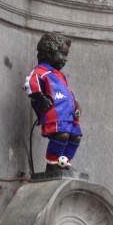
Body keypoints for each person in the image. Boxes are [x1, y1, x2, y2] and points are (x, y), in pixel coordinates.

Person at [24, 33, 82, 171]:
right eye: (62, 54)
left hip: (69, 115)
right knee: (62, 135)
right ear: (49, 53)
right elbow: (29, 85)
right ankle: (52, 163)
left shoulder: (59, 76)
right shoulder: (40, 72)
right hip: (55, 115)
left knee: (75, 137)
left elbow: (69, 94)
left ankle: (64, 162)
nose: (65, 59)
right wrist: (41, 98)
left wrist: (77, 107)